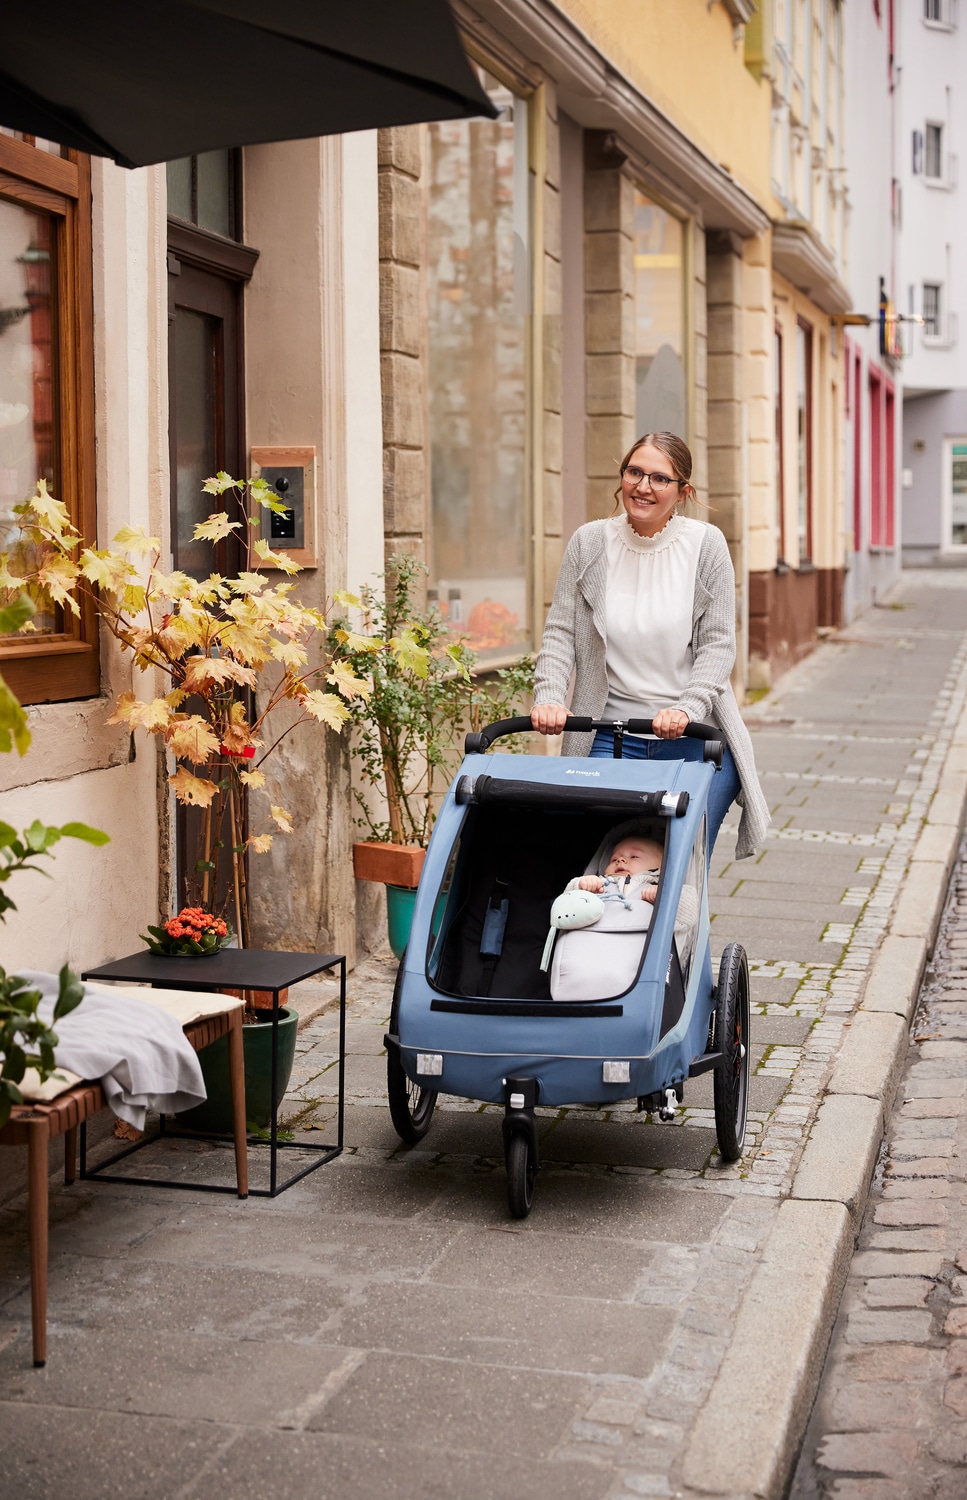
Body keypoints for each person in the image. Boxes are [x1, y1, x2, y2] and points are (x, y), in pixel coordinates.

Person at [530, 431, 769, 860]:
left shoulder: (705, 546)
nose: (643, 486)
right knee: (603, 866)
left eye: (660, 478)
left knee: (678, 874)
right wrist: (549, 696)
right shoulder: (588, 542)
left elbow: (718, 645)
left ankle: (684, 927)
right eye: (635, 472)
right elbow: (560, 631)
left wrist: (687, 709)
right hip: (606, 734)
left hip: (692, 739)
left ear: (683, 492)